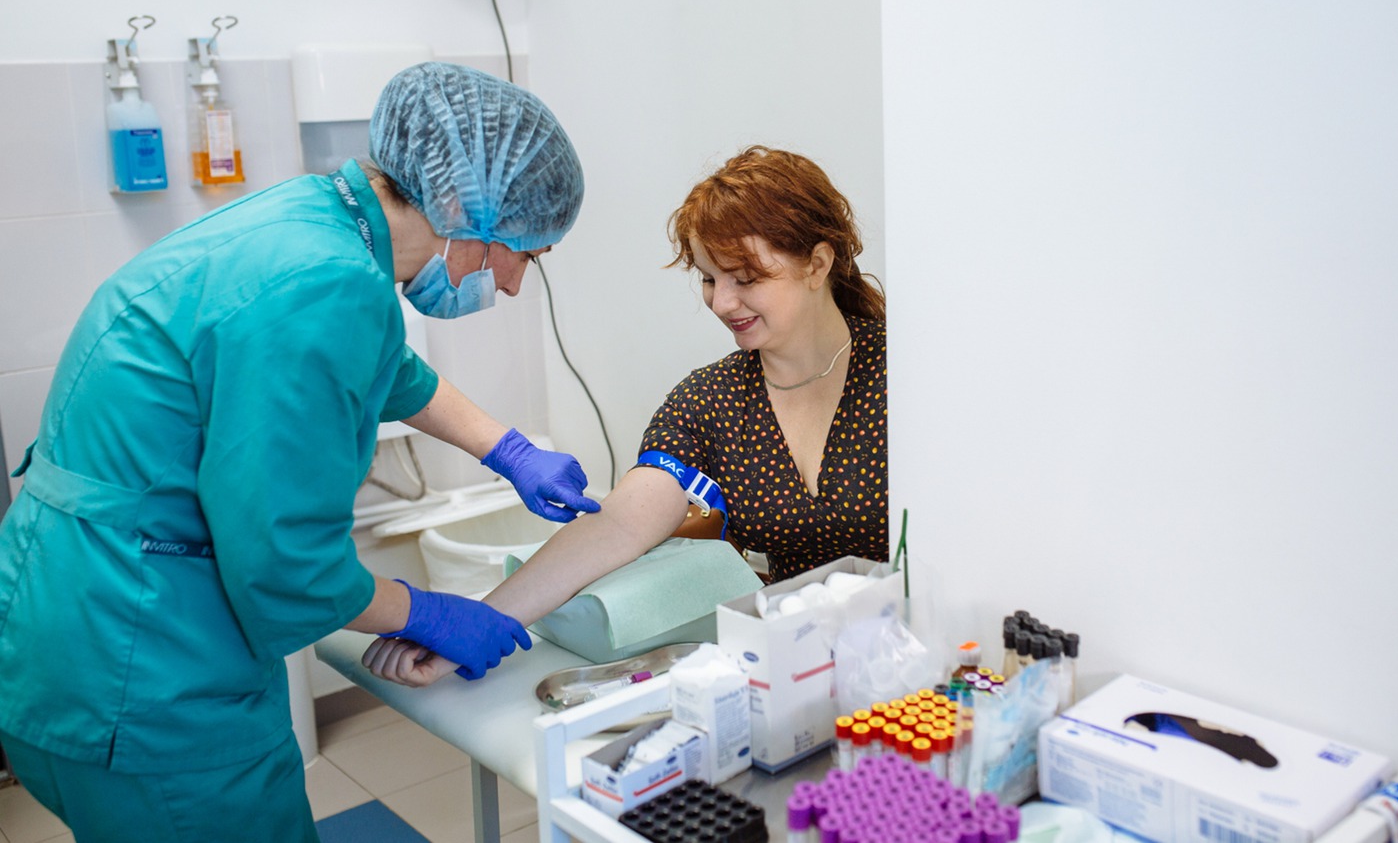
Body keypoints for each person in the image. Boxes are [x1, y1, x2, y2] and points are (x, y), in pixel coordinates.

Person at [0, 62, 601, 843]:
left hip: (60, 623)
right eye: (527, 251)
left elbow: (382, 366)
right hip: (144, 672)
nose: (514, 283)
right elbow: (289, 569)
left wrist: (507, 449)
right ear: (460, 207)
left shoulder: (311, 220)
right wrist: (428, 613)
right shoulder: (324, 284)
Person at [364, 144, 886, 686]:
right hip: (797, 663)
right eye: (710, 279)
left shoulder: (907, 377)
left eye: (745, 278)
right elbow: (617, 526)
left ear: (817, 264)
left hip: (917, 647)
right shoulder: (712, 401)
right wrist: (481, 619)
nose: (722, 303)